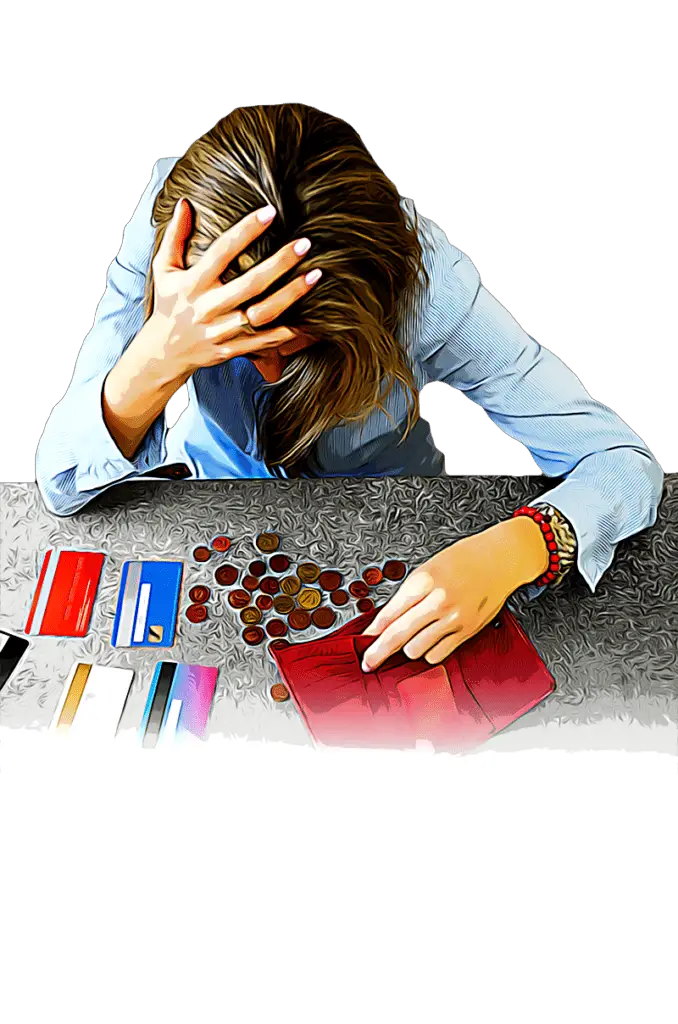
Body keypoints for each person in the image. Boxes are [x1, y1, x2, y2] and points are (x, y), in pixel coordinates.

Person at [34, 104, 664, 673]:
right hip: (211, 492)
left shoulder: (429, 286)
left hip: (389, 517)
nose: (270, 376)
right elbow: (61, 483)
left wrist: (517, 547)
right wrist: (156, 356)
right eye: (236, 348)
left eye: (300, 349)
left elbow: (622, 463)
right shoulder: (171, 232)